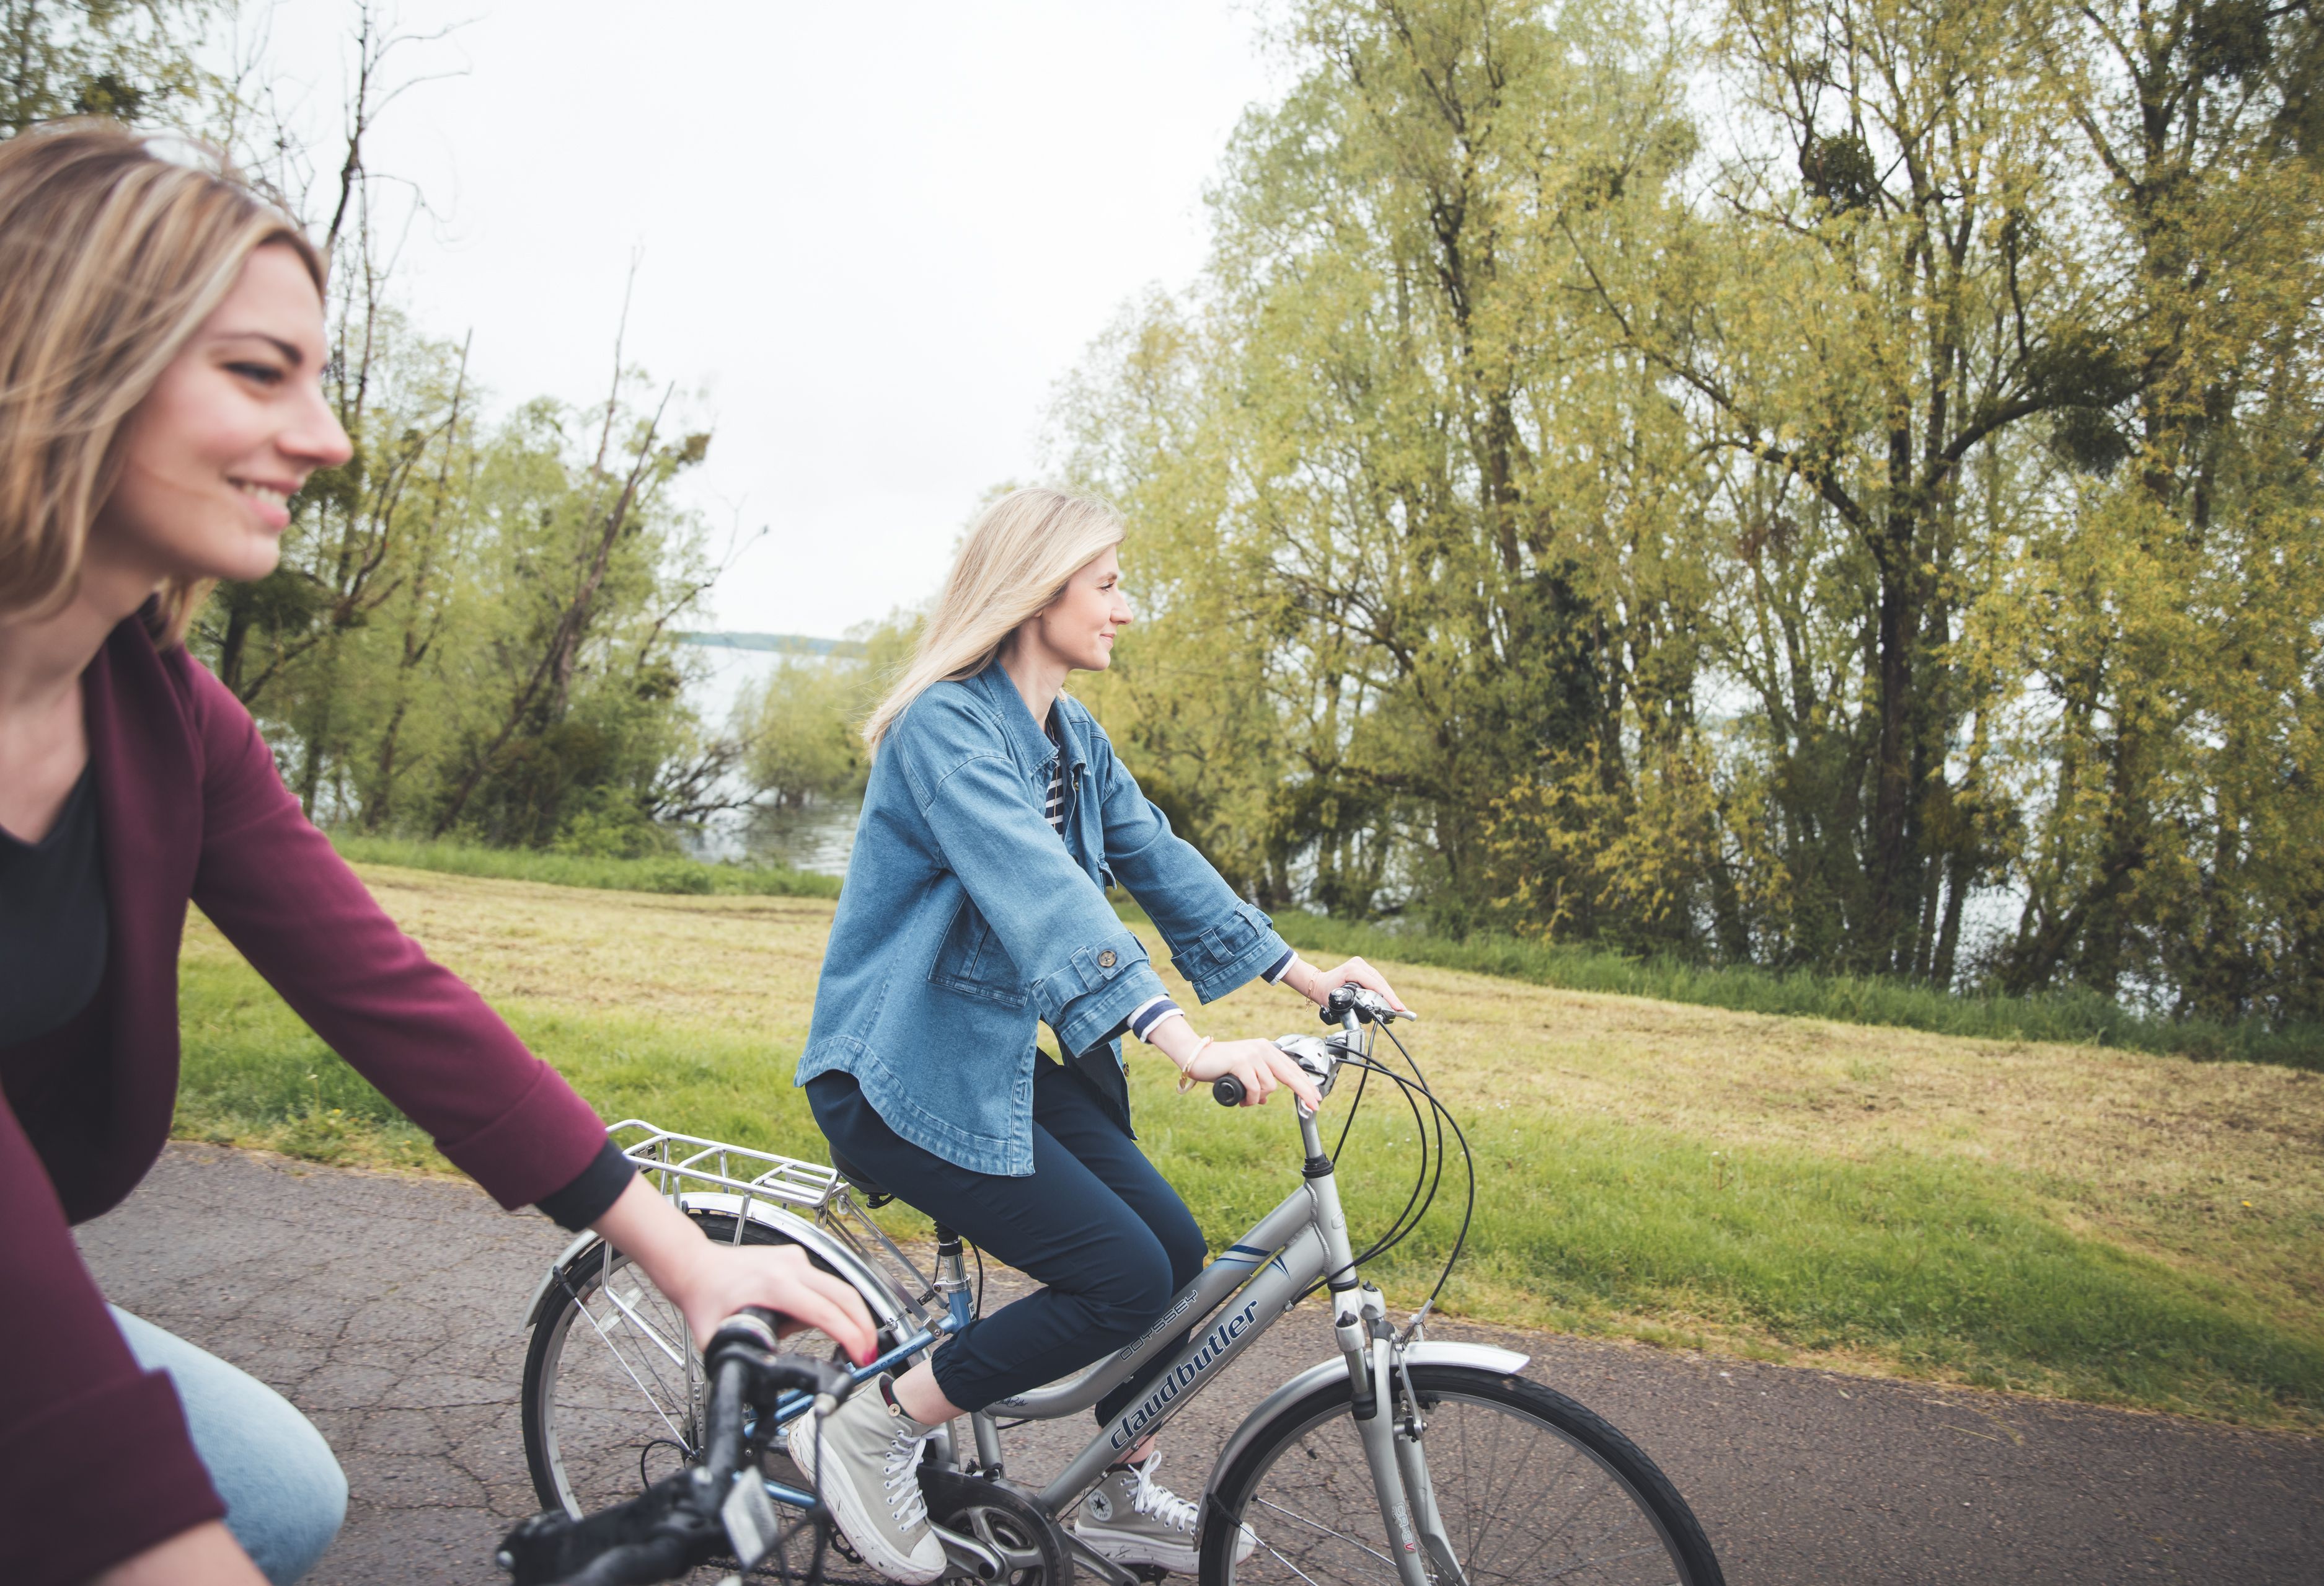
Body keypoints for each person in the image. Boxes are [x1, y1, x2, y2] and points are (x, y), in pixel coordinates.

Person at [0, 122, 879, 1586]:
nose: (328, 440)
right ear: (76, 359)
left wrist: (684, 1254)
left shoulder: (163, 716)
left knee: (275, 1492)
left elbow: (393, 998)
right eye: (258, 372)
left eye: (320, 380)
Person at [789, 485, 1410, 1582]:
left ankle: (1120, 1486)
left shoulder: (1070, 735)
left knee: (1170, 1256)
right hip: (897, 1073)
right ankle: (874, 1423)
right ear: (1038, 593)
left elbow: (1162, 862)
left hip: (987, 1065)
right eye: (1109, 584)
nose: (1127, 608)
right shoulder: (946, 729)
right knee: (1121, 1275)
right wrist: (1187, 1041)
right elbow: (1045, 900)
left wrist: (1313, 978)